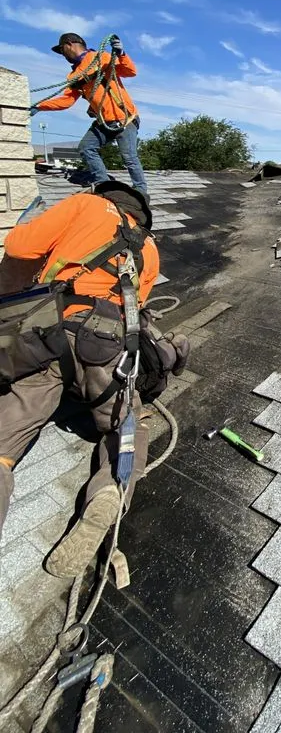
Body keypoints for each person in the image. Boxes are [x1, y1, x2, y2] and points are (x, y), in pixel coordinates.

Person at [0, 182, 159, 577]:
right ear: (140, 216)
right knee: (128, 425)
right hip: (107, 351)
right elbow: (137, 308)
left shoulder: (86, 205)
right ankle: (109, 489)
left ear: (107, 196)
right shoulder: (150, 250)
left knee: (6, 437)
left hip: (49, 336)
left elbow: (19, 246)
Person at [32, 33, 148, 198]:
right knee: (86, 147)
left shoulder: (100, 58)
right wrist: (39, 106)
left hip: (125, 119)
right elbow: (66, 101)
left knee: (129, 157)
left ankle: (141, 191)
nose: (62, 54)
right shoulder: (74, 75)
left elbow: (129, 71)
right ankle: (103, 184)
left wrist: (121, 54)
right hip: (104, 122)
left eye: (62, 50)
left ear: (70, 44)